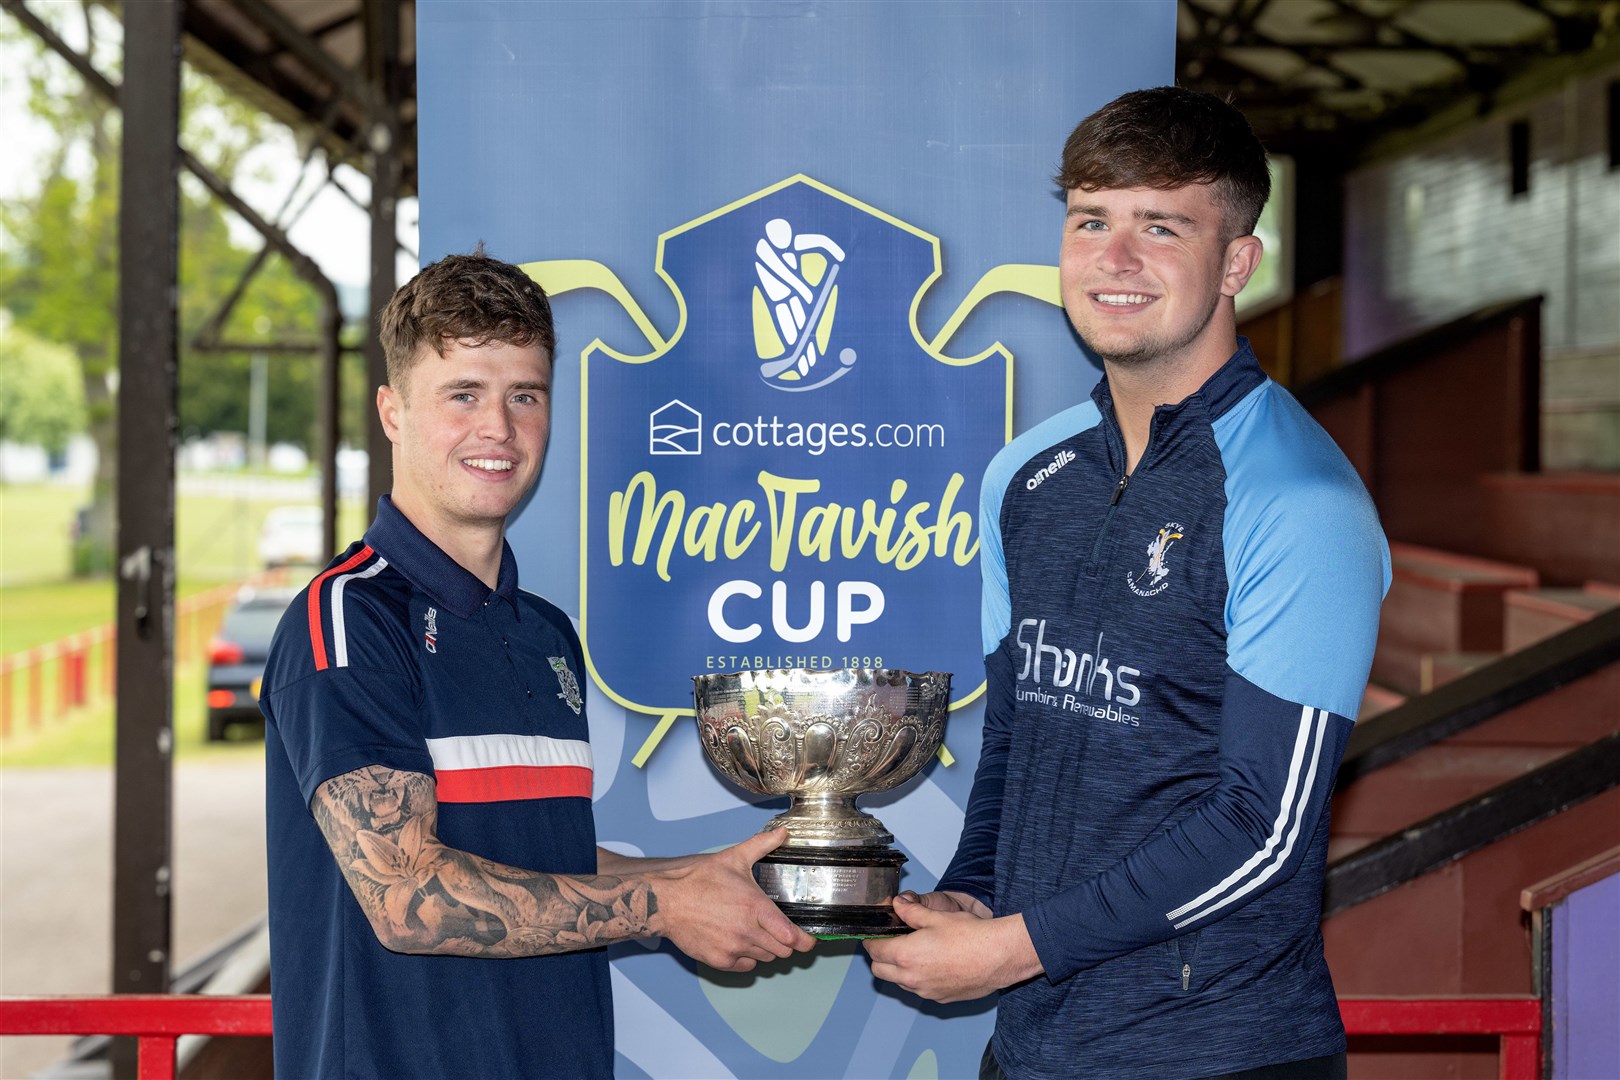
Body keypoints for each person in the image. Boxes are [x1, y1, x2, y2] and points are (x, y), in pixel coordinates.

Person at [865, 87, 1390, 1080]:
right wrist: (976, 896)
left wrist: (1011, 949)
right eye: (1091, 220)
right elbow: (1020, 741)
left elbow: (1263, 828)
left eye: (1160, 226)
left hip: (1219, 1055)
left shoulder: (1301, 502)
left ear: (1237, 261)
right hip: (1032, 1050)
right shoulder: (1027, 478)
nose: (1114, 258)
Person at [259, 250, 815, 1080]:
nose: (499, 428)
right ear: (392, 412)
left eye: (526, 394)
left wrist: (701, 879)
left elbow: (535, 861)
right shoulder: (346, 619)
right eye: (463, 395)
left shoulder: (547, 633)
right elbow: (408, 897)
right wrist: (665, 903)